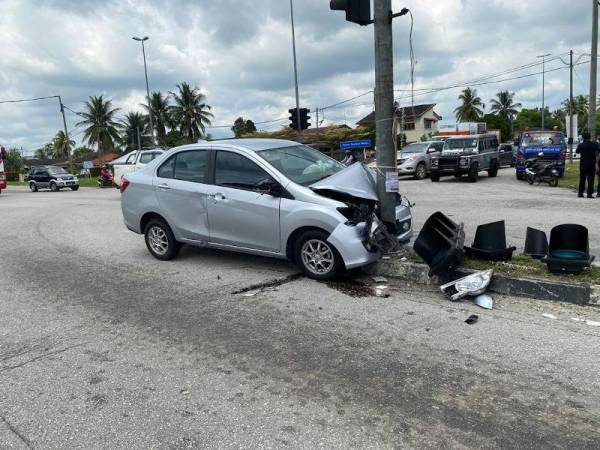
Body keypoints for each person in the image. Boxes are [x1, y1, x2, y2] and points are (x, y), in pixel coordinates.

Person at [575, 132, 599, 198]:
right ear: (590, 137)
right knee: (591, 179)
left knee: (582, 179)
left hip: (583, 164)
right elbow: (597, 152)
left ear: (583, 138)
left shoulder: (581, 145)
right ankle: (589, 194)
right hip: (592, 163)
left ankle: (580, 193)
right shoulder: (595, 144)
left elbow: (577, 151)